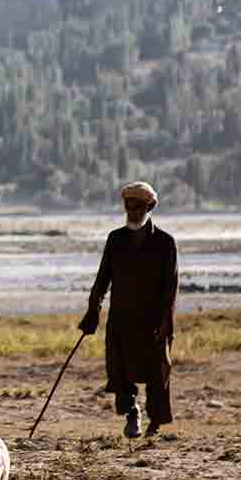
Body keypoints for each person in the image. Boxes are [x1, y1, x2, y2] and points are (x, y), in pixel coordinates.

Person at [79, 181, 178, 438]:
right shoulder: (116, 239)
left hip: (154, 322)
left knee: (158, 374)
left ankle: (154, 424)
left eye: (138, 206)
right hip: (121, 319)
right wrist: (92, 312)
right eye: (128, 206)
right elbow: (102, 280)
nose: (132, 211)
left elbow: (171, 288)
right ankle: (131, 411)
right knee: (119, 371)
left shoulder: (166, 243)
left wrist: (166, 323)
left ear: (151, 206)